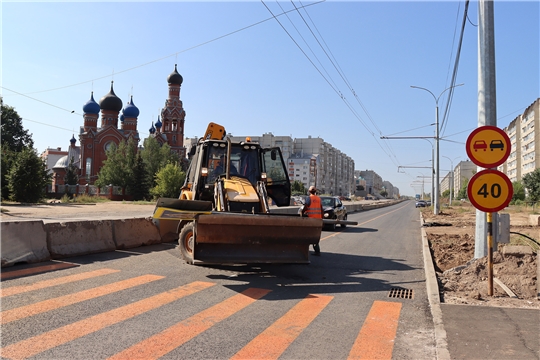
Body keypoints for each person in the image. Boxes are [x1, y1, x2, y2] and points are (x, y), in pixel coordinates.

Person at [301, 186, 323, 256]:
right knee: (315, 236)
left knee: (306, 235)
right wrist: (322, 219)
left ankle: (303, 250)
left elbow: (306, 207)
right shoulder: (319, 199)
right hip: (318, 220)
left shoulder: (309, 198)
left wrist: (302, 213)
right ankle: (317, 251)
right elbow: (322, 209)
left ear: (309, 191)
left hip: (310, 220)